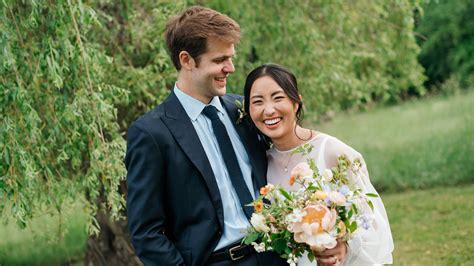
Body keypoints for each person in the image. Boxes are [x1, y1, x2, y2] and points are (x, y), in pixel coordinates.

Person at [125, 7, 287, 266]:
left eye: (231, 57)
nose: (231, 68)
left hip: (274, 257)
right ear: (187, 60)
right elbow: (146, 232)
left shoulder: (244, 110)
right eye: (219, 60)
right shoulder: (151, 134)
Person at [243, 63, 394, 265]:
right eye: (257, 101)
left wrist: (345, 247)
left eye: (278, 98)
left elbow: (373, 223)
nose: (269, 110)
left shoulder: (333, 152)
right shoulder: (261, 161)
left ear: (296, 102)